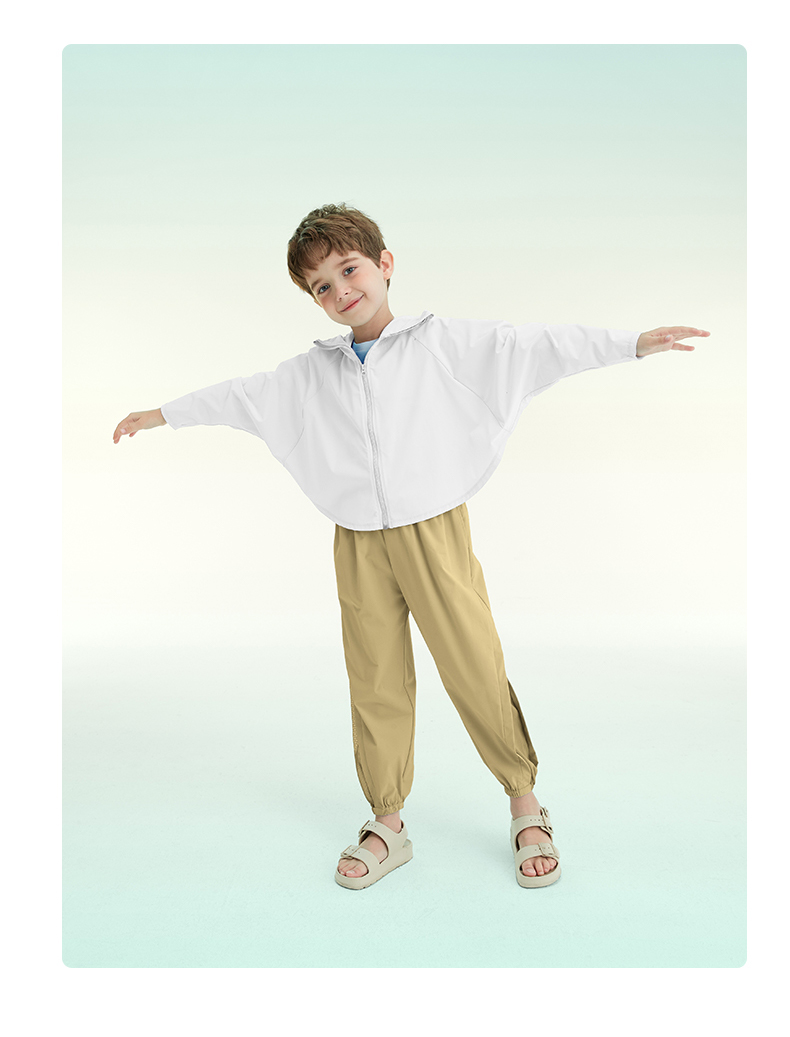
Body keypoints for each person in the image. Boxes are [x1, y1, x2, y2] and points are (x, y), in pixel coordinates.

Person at [113, 202, 710, 890]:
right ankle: (387, 820)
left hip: (433, 529)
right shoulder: (312, 372)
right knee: (374, 676)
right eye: (322, 286)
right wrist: (163, 414)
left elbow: (539, 347)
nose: (341, 290)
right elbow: (242, 396)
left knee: (473, 662)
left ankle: (524, 802)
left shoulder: (444, 343)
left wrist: (631, 342)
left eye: (350, 269)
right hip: (359, 540)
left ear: (385, 264)